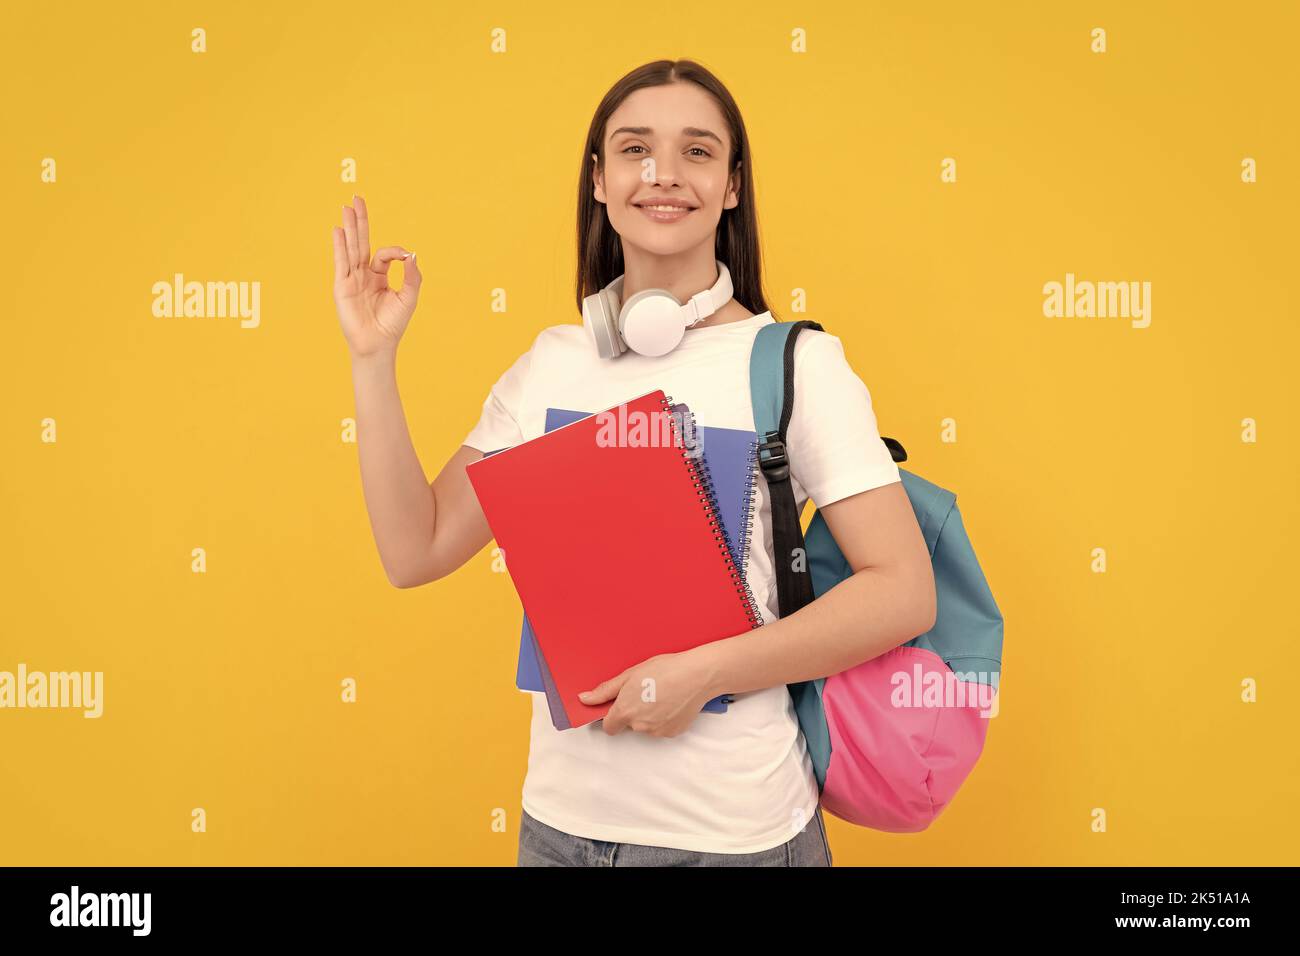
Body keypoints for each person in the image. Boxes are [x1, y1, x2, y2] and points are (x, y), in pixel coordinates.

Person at [330, 59, 936, 867]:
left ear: (730, 187)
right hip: (556, 831)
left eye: (696, 151)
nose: (662, 175)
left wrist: (704, 672)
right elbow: (416, 550)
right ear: (599, 180)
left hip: (731, 840)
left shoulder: (793, 364)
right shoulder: (551, 363)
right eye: (634, 149)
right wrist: (372, 360)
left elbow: (904, 592)